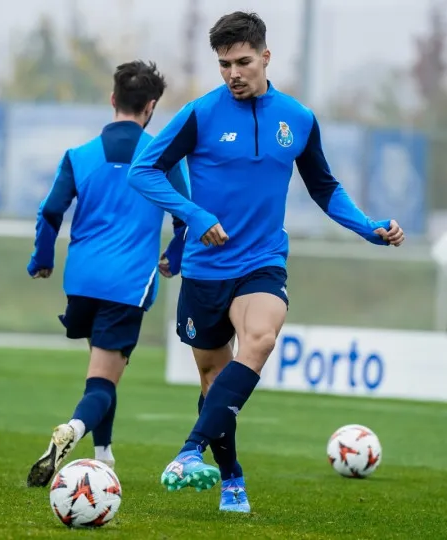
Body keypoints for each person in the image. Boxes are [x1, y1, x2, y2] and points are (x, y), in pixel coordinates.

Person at [127, 11, 405, 512]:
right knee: (214, 383)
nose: (233, 72)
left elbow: (324, 187)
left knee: (261, 337)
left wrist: (369, 227)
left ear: (265, 57)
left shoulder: (297, 118)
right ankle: (231, 475)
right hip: (206, 268)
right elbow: (144, 171)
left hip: (261, 262)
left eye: (243, 61)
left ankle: (190, 450)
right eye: (224, 64)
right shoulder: (199, 114)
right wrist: (193, 214)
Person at [24, 60, 189, 487]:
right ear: (151, 106)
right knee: (101, 383)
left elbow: (50, 211)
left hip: (81, 283)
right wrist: (174, 253)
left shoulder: (78, 156)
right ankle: (73, 431)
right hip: (128, 283)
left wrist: (41, 258)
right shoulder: (163, 156)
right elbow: (186, 216)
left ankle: (104, 454)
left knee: (101, 368)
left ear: (113, 99)